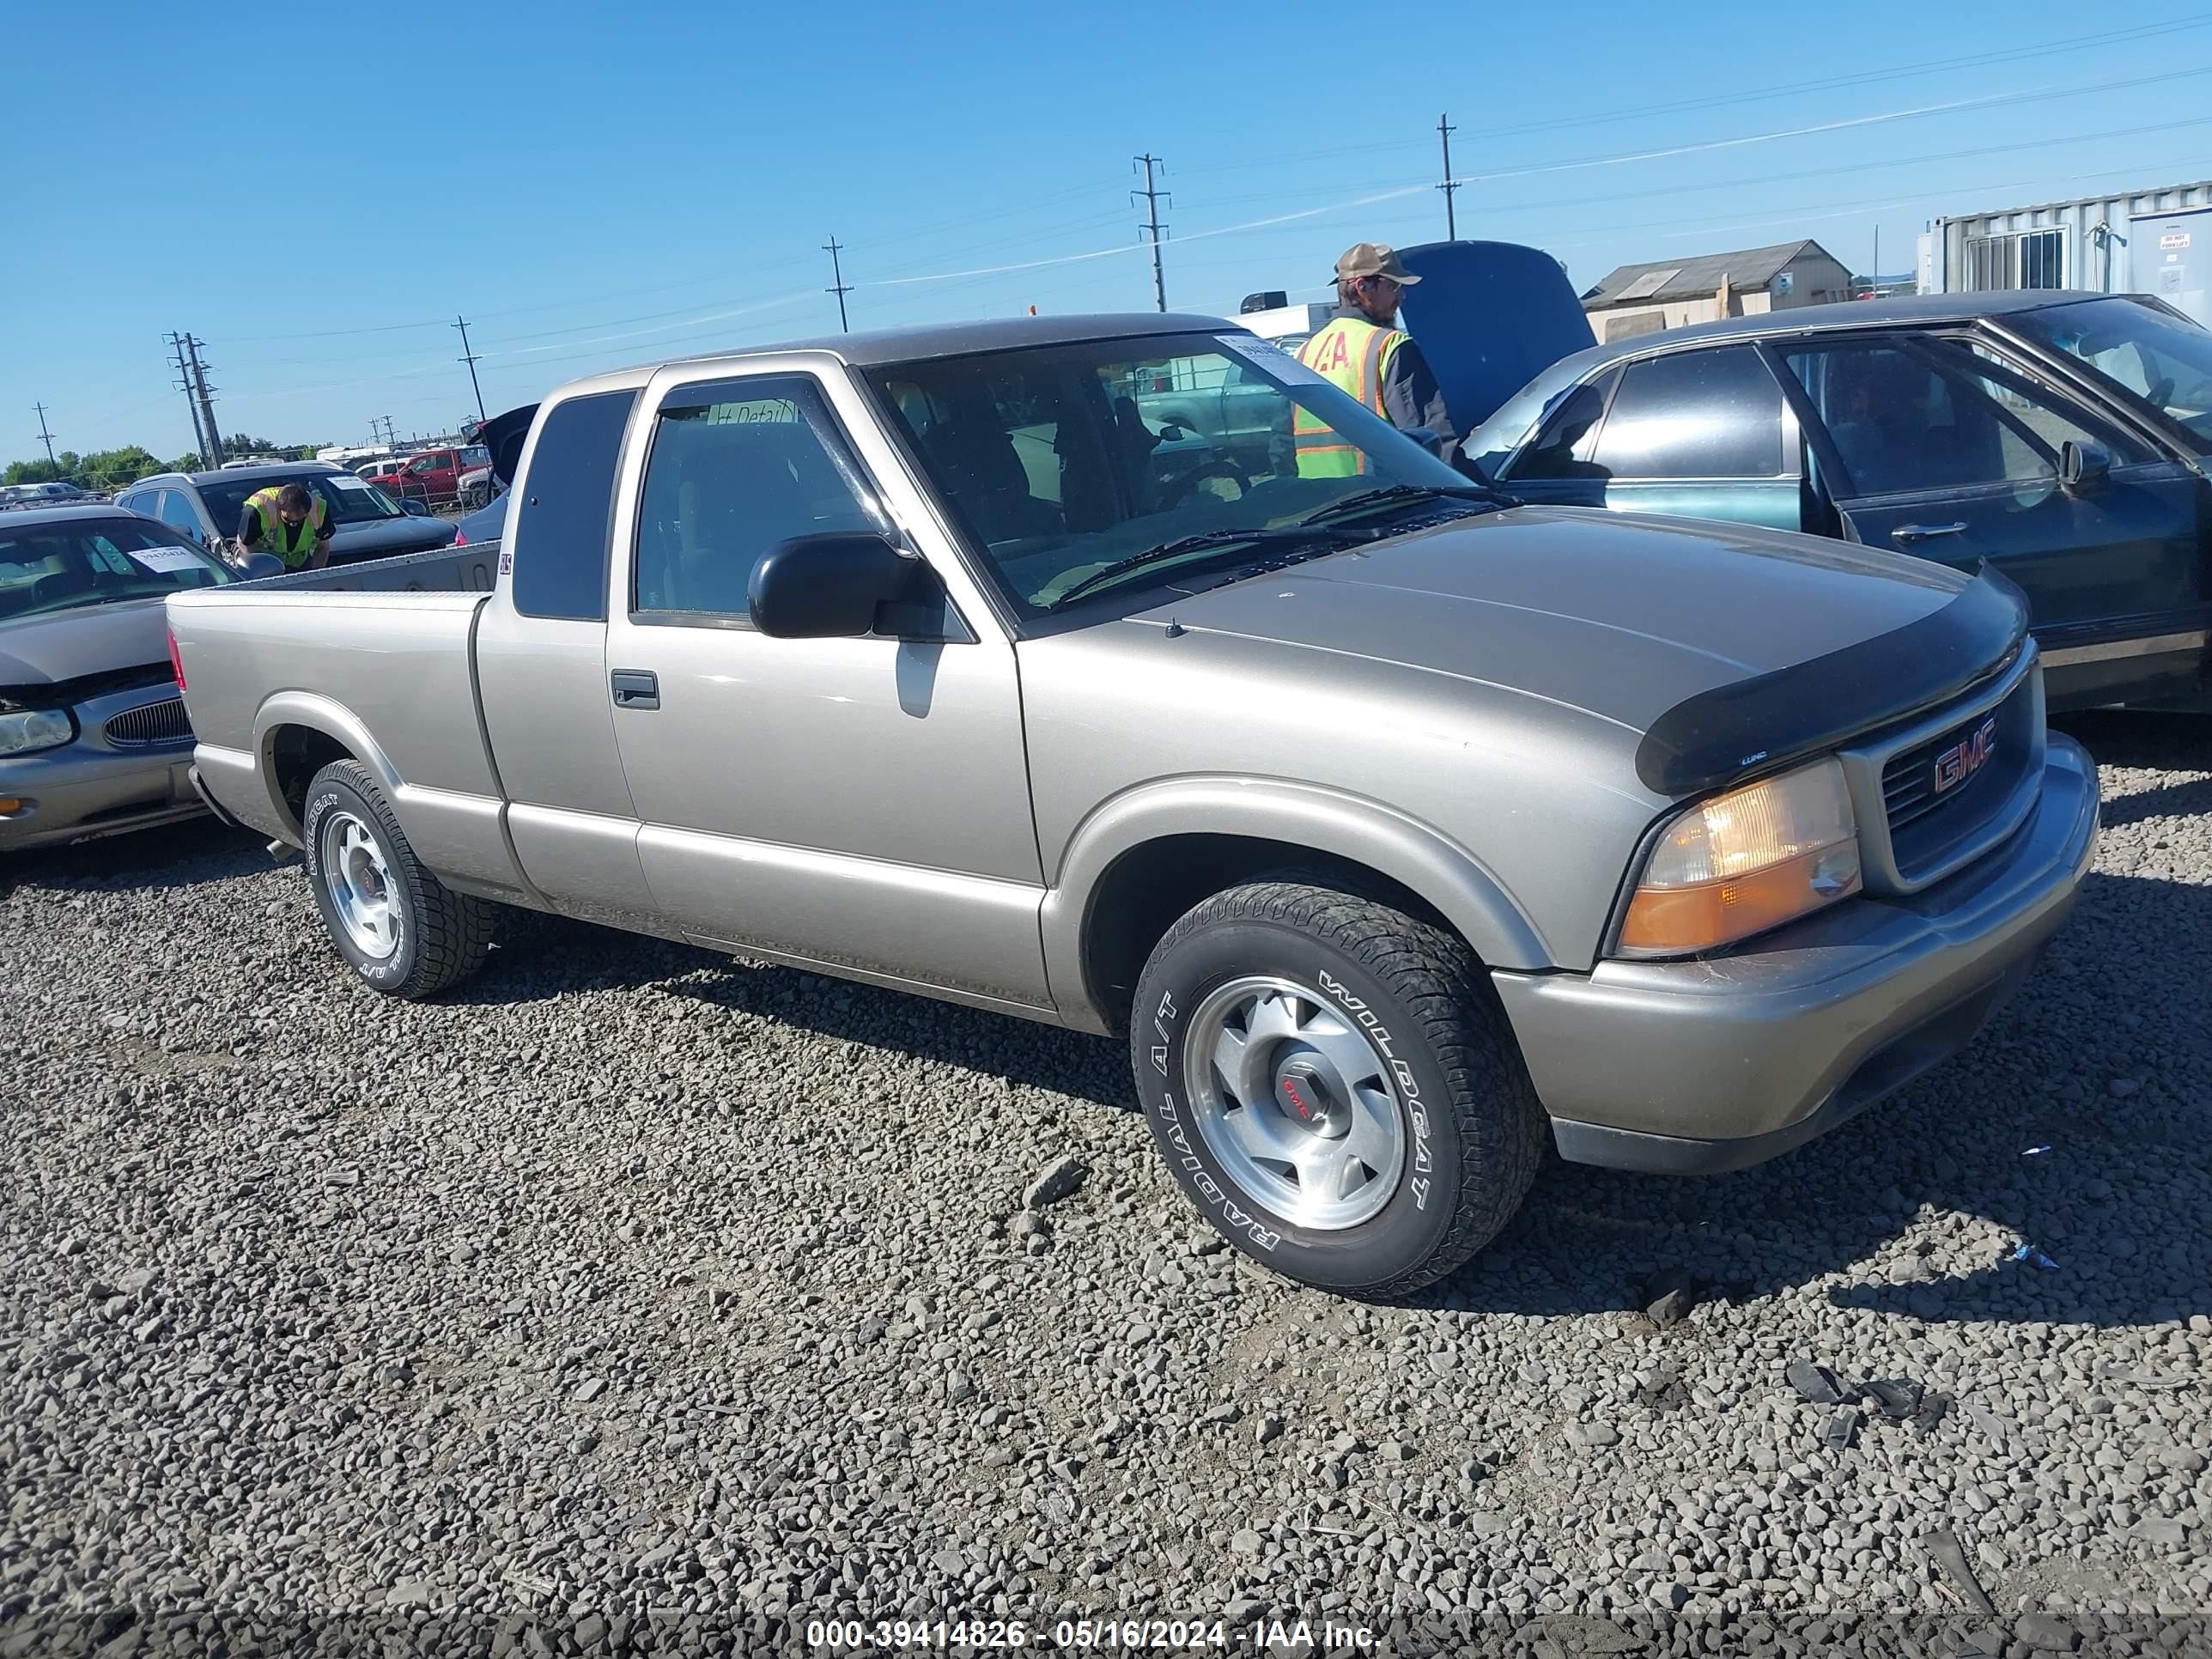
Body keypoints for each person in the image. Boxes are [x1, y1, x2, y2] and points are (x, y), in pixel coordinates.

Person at [1292, 242, 1456, 477]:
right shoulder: (1389, 346)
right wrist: (1469, 491)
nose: (1402, 295)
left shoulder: (1304, 353)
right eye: (1393, 286)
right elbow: (1432, 436)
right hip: (1383, 501)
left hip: (1321, 505)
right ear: (1362, 287)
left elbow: (1282, 444)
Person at [236, 482, 332, 570]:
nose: (294, 525)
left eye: (300, 521)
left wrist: (316, 574)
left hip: (299, 562)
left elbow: (323, 546)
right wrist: (261, 570)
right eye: (287, 520)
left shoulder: (319, 508)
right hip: (265, 561)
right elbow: (245, 544)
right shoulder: (258, 509)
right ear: (279, 509)